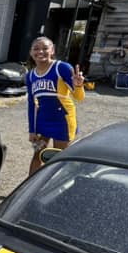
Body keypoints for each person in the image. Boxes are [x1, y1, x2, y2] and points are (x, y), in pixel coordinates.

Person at [26, 36, 85, 175]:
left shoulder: (62, 67)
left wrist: (79, 85)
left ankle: (55, 189)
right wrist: (32, 129)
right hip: (42, 122)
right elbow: (31, 104)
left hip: (62, 121)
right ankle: (28, 188)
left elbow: (79, 97)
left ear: (52, 50)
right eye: (36, 49)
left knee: (58, 158)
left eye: (45, 48)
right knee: (37, 155)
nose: (40, 51)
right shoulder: (30, 76)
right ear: (31, 52)